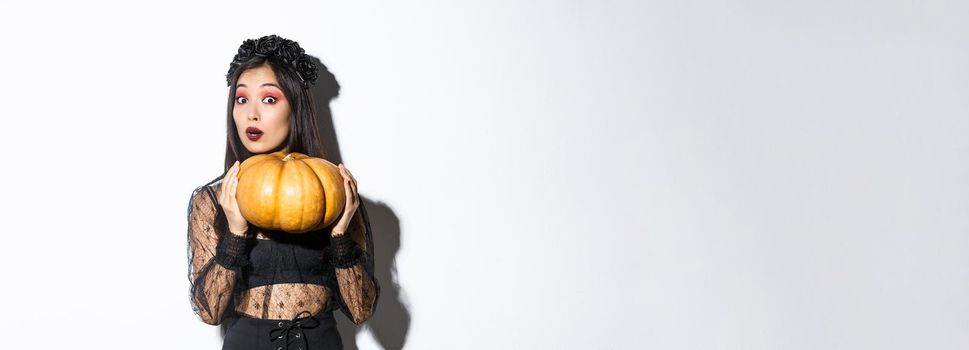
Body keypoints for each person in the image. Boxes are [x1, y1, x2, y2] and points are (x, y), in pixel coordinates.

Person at [187, 34, 379, 350]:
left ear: (295, 107)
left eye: (270, 99)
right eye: (241, 99)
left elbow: (361, 310)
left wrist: (340, 233)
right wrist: (235, 234)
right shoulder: (212, 200)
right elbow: (210, 312)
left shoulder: (333, 190)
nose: (251, 114)